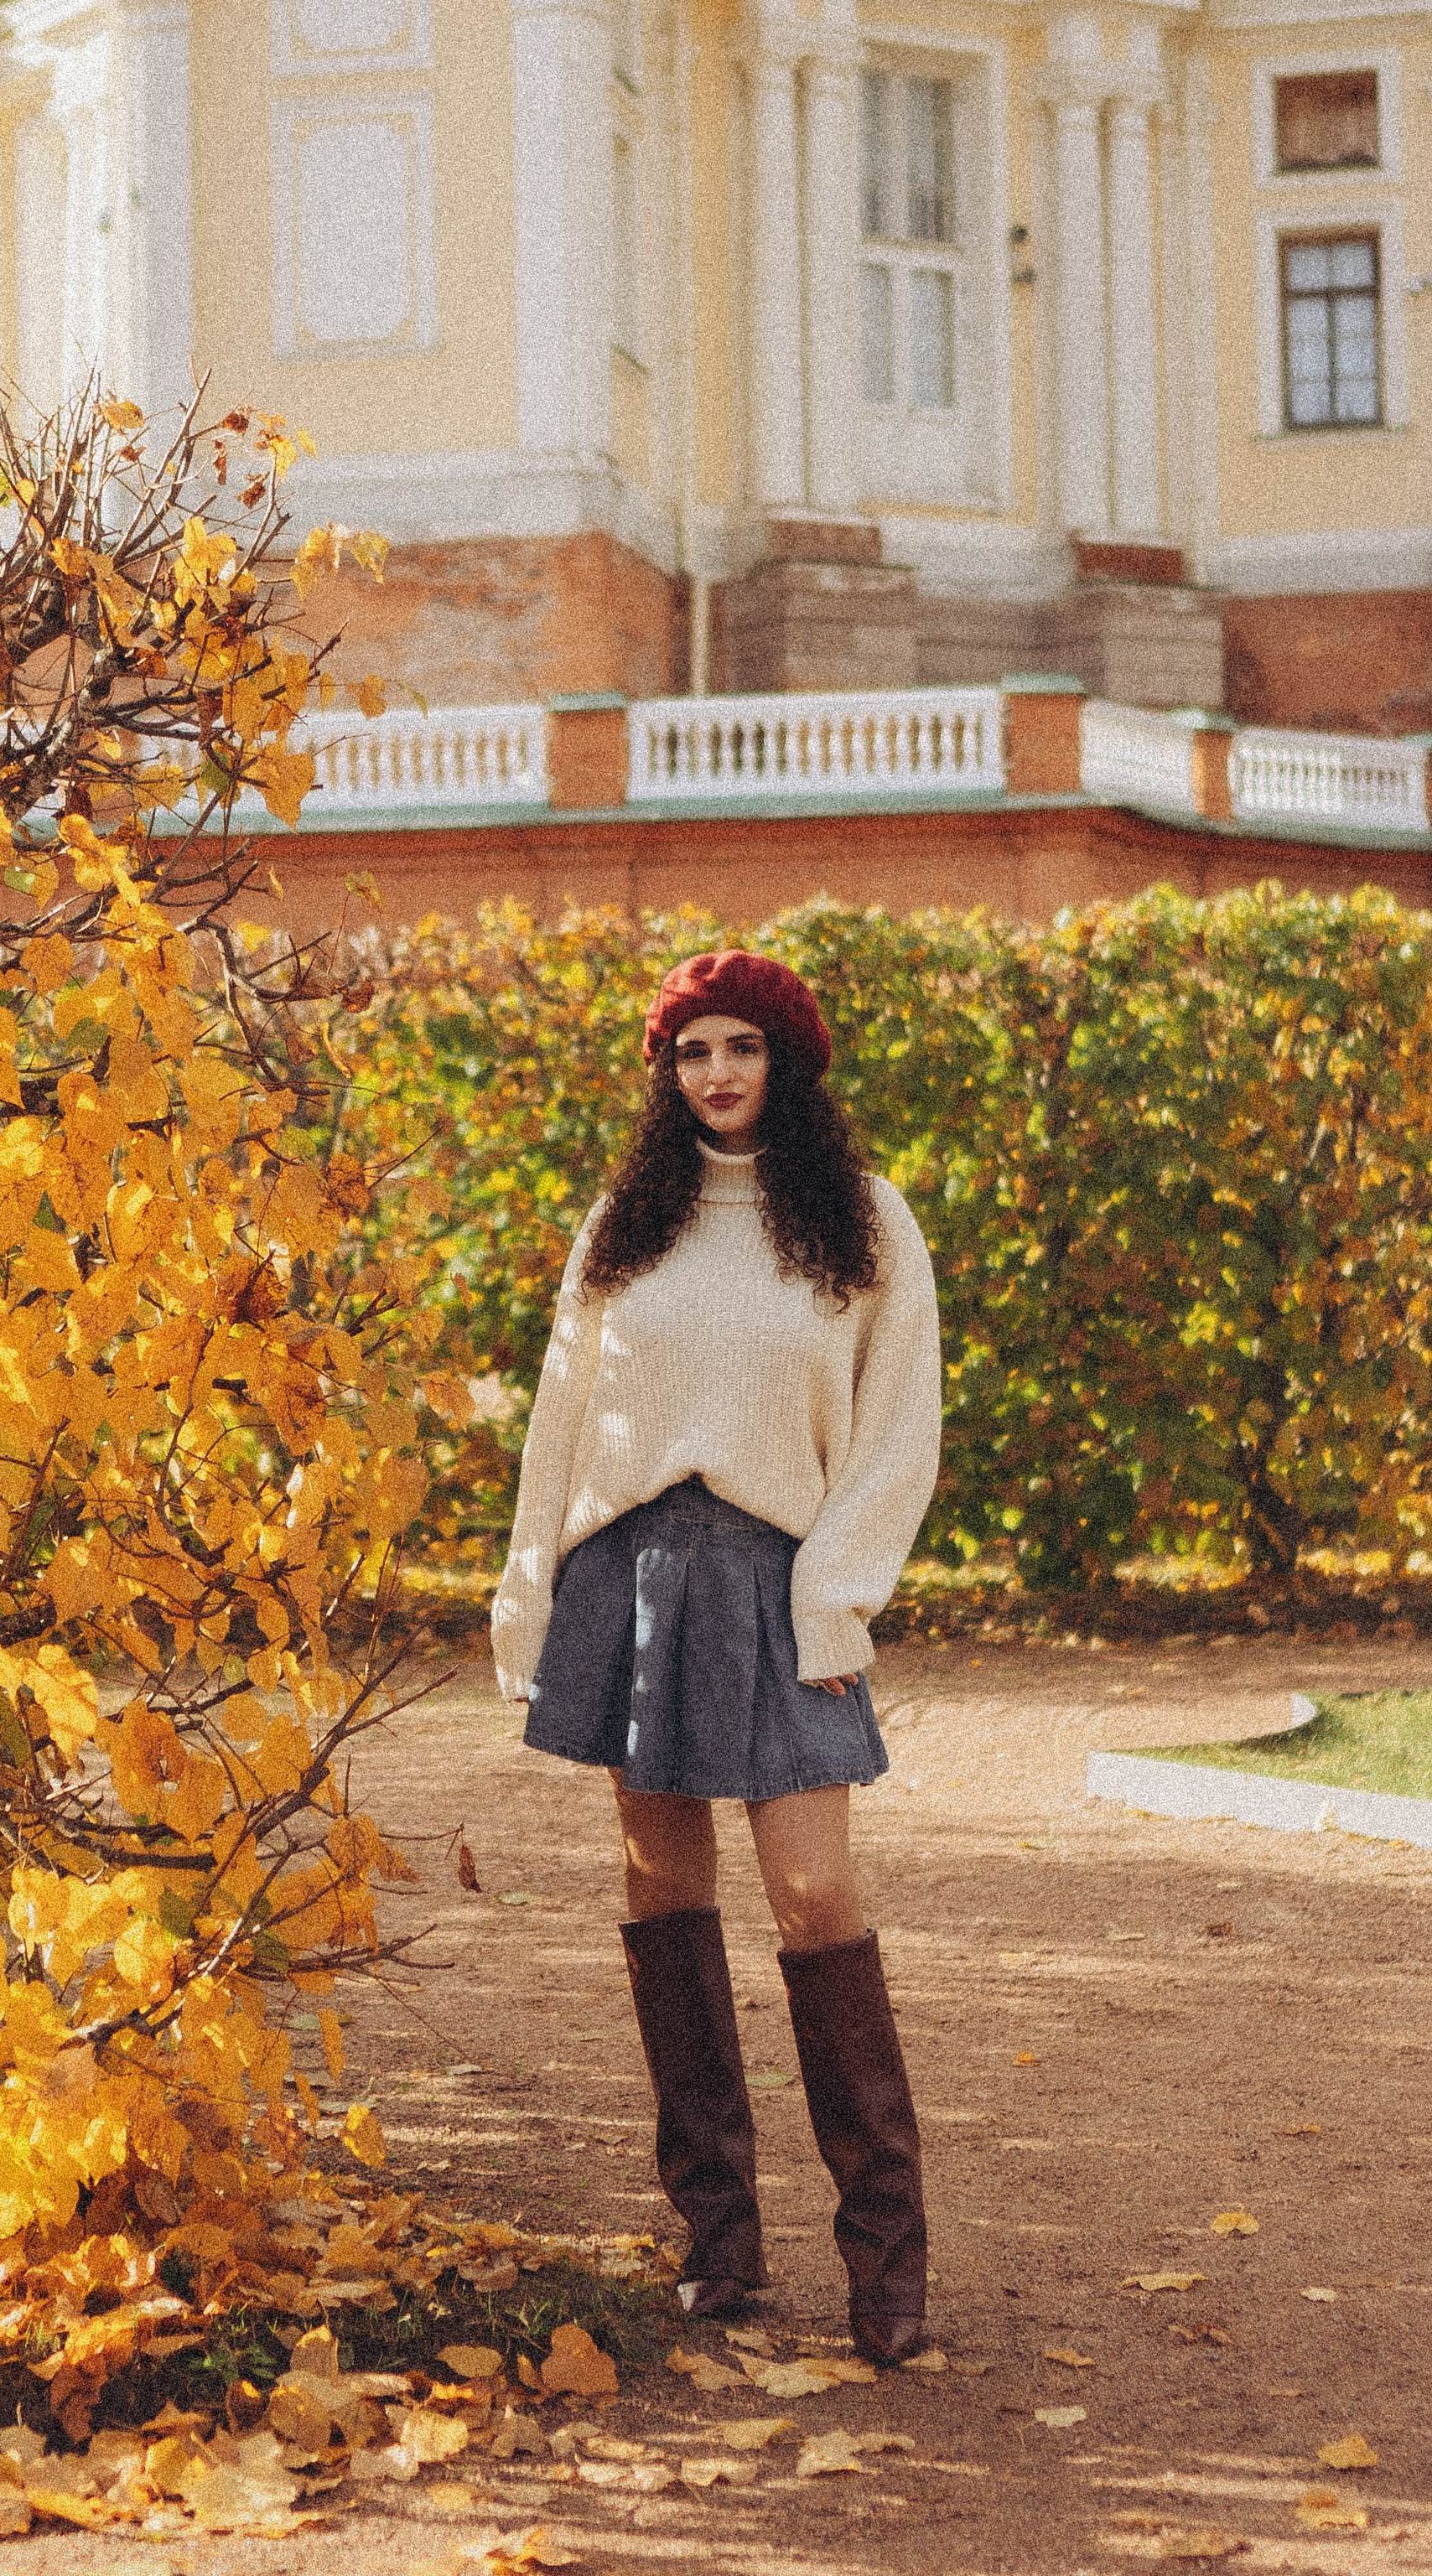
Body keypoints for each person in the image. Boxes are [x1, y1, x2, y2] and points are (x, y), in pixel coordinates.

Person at [490, 950, 943, 2365]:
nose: (718, 1075)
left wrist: (838, 1596)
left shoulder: (865, 1222)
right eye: (692, 1053)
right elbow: (564, 1415)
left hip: (781, 1576)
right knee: (660, 1889)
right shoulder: (626, 1224)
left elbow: (896, 1428)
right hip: (630, 1577)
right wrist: (530, 1589)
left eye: (742, 1047)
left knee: (815, 1891)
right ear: (667, 1072)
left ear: (787, 1062)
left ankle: (887, 2265)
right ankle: (719, 2245)